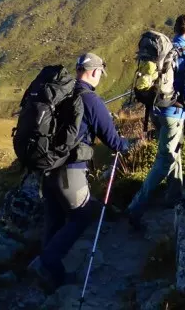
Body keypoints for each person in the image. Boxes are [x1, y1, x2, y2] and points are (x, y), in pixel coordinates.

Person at [29, 52, 132, 288]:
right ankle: (49, 261)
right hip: (70, 171)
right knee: (81, 215)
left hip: (47, 167)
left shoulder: (61, 93)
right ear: (94, 72)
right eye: (100, 74)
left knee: (54, 219)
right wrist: (130, 144)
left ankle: (49, 276)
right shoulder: (90, 99)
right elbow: (113, 141)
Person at [126, 14, 185, 228]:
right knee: (165, 160)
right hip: (173, 114)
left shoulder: (165, 50)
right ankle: (136, 207)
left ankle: (173, 196)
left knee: (173, 151)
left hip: (155, 111)